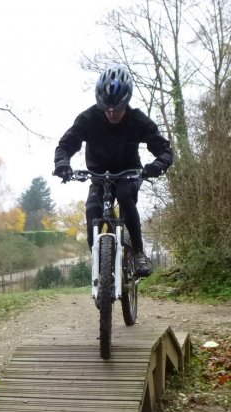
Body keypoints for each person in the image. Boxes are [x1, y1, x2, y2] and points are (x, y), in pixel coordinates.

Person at [53, 64, 173, 277]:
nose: (112, 113)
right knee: (92, 211)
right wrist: (62, 163)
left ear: (126, 101)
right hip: (98, 174)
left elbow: (164, 149)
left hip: (128, 172)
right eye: (107, 108)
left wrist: (157, 165)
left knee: (125, 195)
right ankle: (101, 266)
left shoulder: (137, 120)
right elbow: (66, 144)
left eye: (116, 108)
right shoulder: (88, 118)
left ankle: (138, 253)